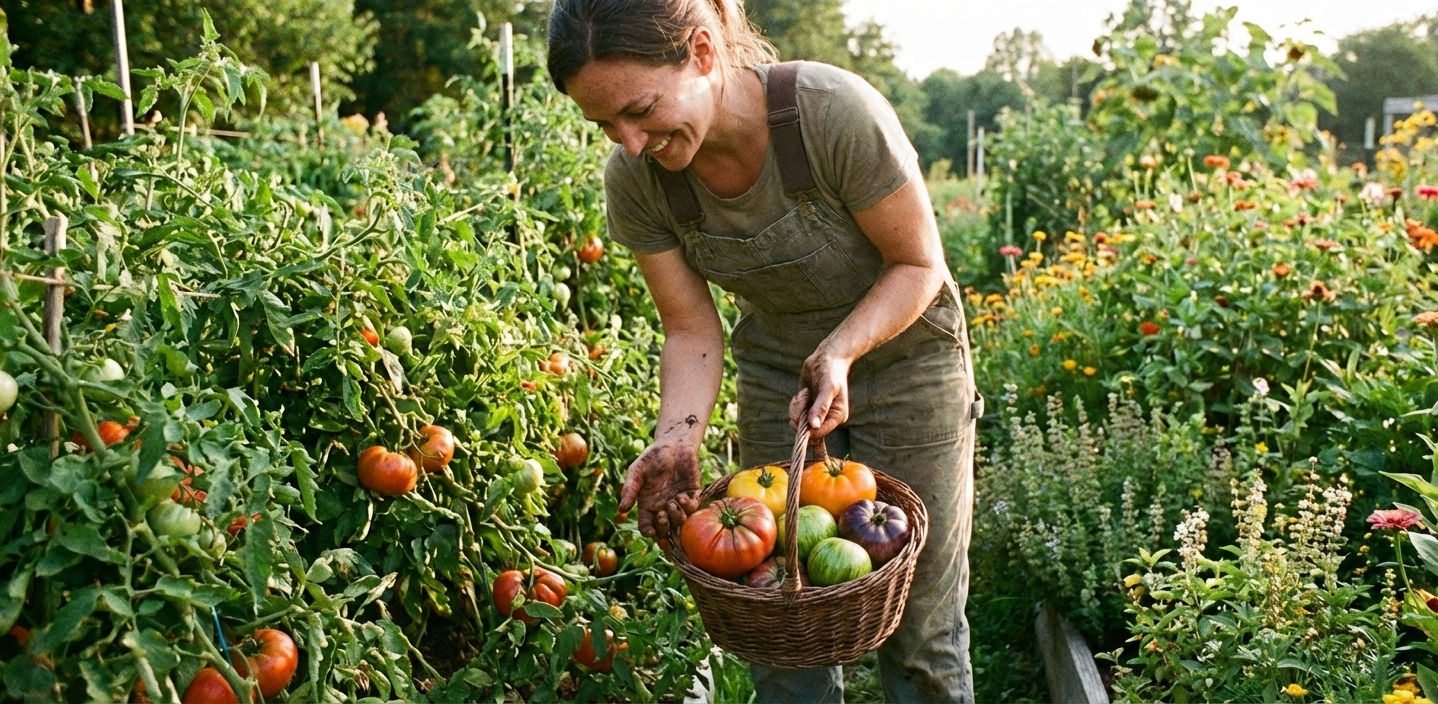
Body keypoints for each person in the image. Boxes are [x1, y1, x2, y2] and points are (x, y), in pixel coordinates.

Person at [546, 0, 981, 701]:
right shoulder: (638, 180)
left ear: (703, 52)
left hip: (909, 363)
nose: (628, 141)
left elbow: (917, 265)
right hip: (782, 373)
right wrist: (677, 438)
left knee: (921, 622)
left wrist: (840, 351)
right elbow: (690, 329)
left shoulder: (829, 113)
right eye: (605, 125)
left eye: (642, 108)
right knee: (777, 616)